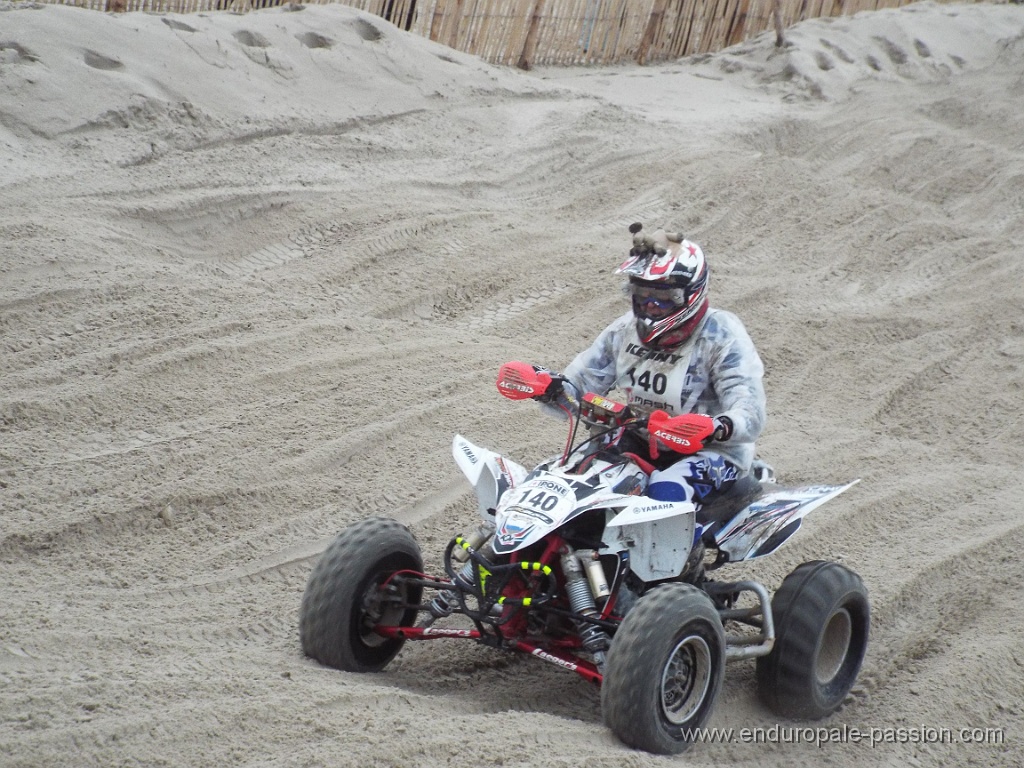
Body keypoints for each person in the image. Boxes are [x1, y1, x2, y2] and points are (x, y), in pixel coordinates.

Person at [537, 223, 767, 508]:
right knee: (568, 476)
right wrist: (548, 386)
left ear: (691, 294)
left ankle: (681, 552)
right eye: (642, 294)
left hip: (712, 451)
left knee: (665, 493)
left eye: (664, 298)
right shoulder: (624, 330)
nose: (651, 305)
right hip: (639, 437)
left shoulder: (721, 335)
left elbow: (752, 412)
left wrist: (716, 427)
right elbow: (580, 385)